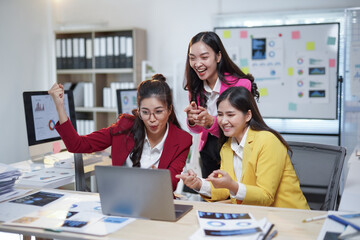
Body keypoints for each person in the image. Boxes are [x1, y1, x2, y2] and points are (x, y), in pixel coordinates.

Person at [48, 74, 192, 191]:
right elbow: (77, 145)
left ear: (169, 110)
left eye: (158, 112)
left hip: (158, 204)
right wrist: (60, 106)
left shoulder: (182, 140)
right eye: (145, 112)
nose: (152, 119)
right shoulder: (124, 128)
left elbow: (172, 183)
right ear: (139, 111)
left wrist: (157, 178)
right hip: (122, 203)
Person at [177, 86, 309, 209]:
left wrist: (232, 185)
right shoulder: (227, 147)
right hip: (254, 214)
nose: (223, 121)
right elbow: (223, 190)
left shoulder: (268, 141)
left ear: (248, 115)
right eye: (220, 114)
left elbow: (266, 196)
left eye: (230, 114)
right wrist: (198, 184)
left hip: (288, 215)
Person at [183, 31, 259, 178]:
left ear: (218, 56)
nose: (197, 64)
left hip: (236, 151)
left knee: (235, 196)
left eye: (204, 57)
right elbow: (199, 130)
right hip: (209, 153)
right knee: (211, 196)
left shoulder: (241, 85)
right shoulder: (196, 88)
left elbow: (241, 128)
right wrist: (193, 120)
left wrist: (211, 121)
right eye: (192, 58)